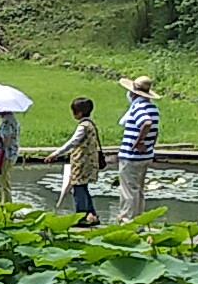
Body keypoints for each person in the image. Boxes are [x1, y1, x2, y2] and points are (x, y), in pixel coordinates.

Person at [45, 97, 102, 225]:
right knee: (84, 188)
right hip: (89, 162)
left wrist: (55, 153)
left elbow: (72, 142)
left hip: (81, 162)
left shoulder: (83, 126)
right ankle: (92, 215)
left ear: (79, 113)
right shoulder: (91, 124)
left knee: (78, 188)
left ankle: (81, 216)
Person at [116, 75, 161, 221]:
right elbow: (155, 130)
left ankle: (127, 221)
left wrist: (137, 143)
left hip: (131, 156)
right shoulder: (153, 108)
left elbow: (146, 123)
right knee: (139, 190)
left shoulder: (138, 107)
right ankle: (139, 221)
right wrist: (149, 145)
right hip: (146, 156)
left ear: (133, 93)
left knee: (128, 191)